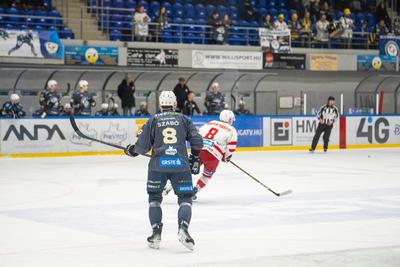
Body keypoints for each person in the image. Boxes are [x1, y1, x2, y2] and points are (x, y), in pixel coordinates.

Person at [124, 91, 203, 251]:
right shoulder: (184, 119)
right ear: (174, 104)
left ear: (160, 105)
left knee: (154, 198)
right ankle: (183, 229)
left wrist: (131, 151)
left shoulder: (153, 120)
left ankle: (156, 234)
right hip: (180, 165)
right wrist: (195, 158)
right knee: (185, 198)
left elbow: (141, 146)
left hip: (157, 165)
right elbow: (197, 141)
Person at [165, 110, 238, 200]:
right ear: (229, 119)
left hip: (199, 150)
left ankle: (169, 185)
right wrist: (226, 157)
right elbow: (231, 147)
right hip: (213, 155)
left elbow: (197, 134)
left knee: (186, 168)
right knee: (206, 175)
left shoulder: (211, 123)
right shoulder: (232, 130)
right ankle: (195, 190)